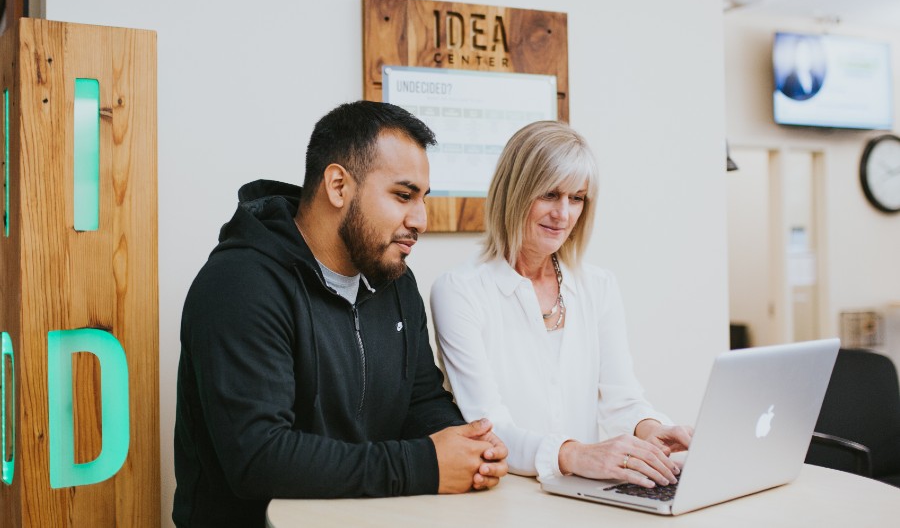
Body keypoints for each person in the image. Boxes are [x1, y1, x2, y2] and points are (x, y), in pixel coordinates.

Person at [173, 101, 508, 527]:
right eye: (403, 195)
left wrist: (470, 447)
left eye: (423, 199)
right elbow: (258, 458)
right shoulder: (239, 285)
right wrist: (424, 464)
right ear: (337, 186)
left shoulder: (394, 280)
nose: (420, 219)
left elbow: (419, 399)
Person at [431, 121, 691, 490]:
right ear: (515, 192)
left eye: (577, 198)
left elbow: (622, 398)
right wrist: (574, 454)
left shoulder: (598, 286)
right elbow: (489, 426)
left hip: (584, 496)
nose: (563, 214)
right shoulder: (459, 291)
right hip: (504, 498)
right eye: (550, 194)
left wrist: (653, 429)